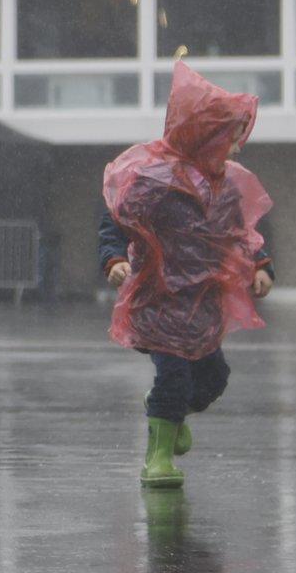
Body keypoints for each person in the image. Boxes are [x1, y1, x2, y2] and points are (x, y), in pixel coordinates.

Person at [97, 62, 275, 489]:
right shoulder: (155, 181)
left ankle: (169, 413)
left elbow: (239, 234)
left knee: (214, 379)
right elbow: (118, 221)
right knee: (173, 373)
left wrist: (260, 265)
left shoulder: (227, 188)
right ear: (205, 137)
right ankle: (157, 457)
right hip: (160, 301)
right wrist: (114, 258)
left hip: (202, 306)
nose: (236, 148)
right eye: (229, 138)